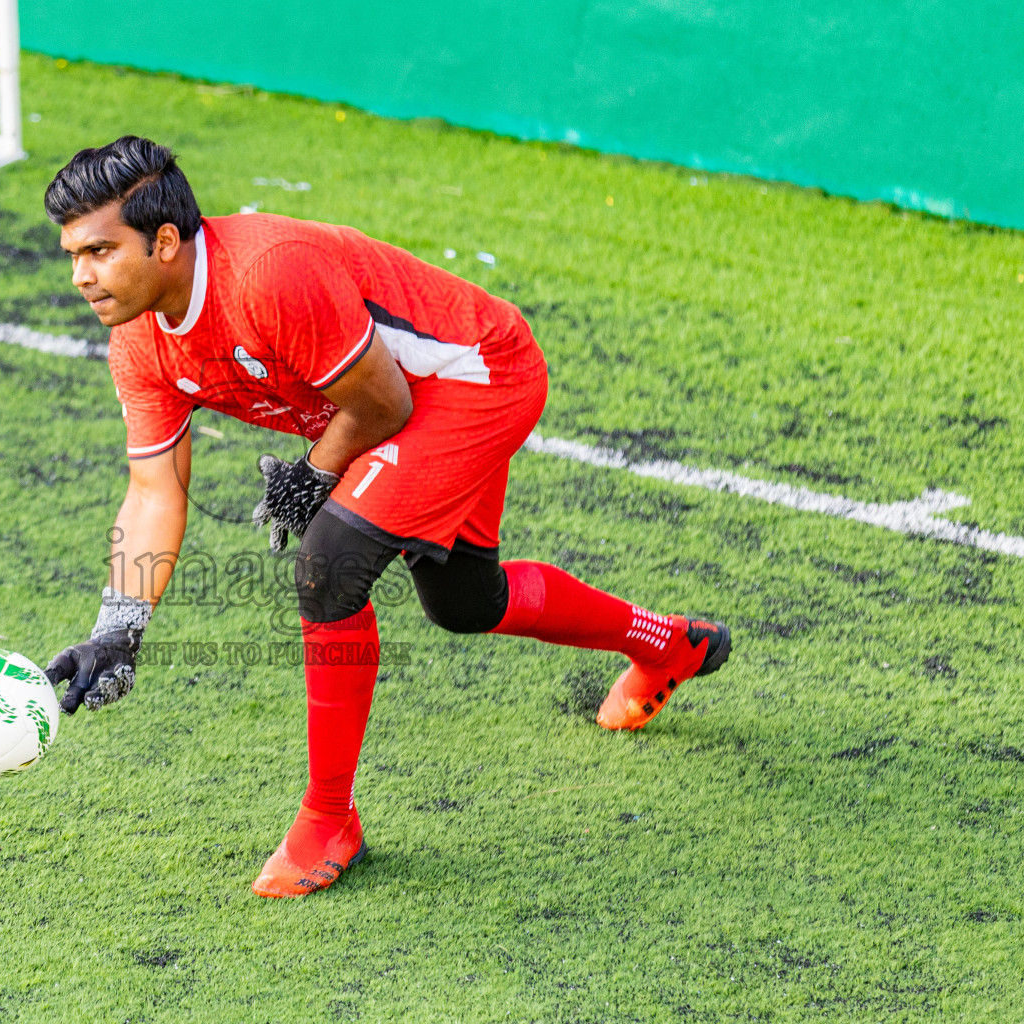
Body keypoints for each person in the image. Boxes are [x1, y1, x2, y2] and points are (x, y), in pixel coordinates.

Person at [40, 136, 731, 899]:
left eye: (100, 250)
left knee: (327, 566)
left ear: (165, 242)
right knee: (466, 602)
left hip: (477, 376)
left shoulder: (268, 275)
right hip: (401, 400)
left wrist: (317, 475)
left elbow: (384, 401)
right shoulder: (137, 344)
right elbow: (153, 493)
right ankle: (667, 645)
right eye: (73, 254)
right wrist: (117, 630)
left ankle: (328, 819)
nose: (81, 275)